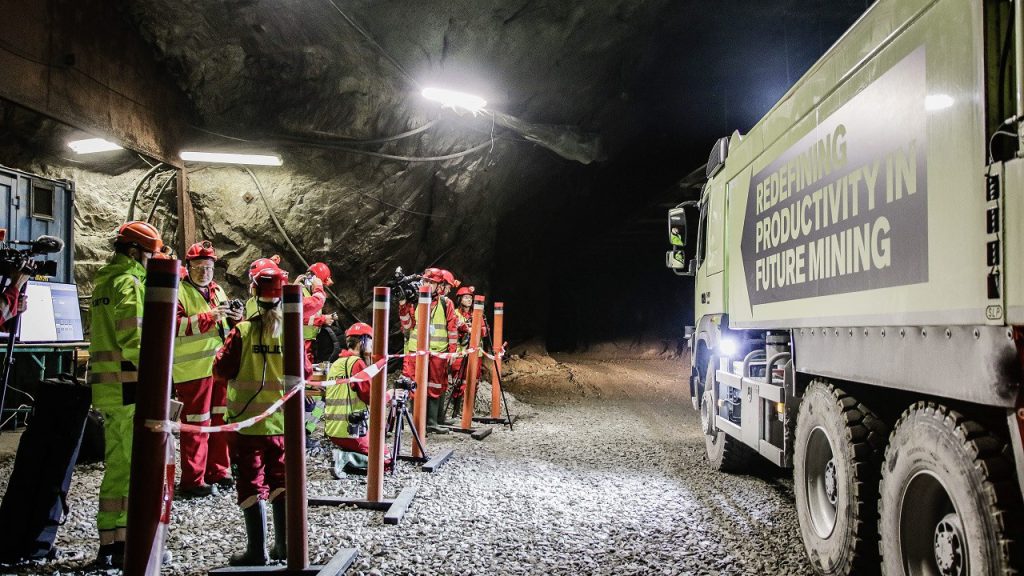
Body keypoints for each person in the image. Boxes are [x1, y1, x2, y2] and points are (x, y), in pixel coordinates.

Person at [214, 265, 309, 566]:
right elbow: (305, 372)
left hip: (247, 424)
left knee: (251, 483)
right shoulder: (293, 333)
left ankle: (257, 550)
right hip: (282, 424)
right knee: (281, 479)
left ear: (254, 292)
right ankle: (284, 545)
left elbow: (220, 370)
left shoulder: (241, 331)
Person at [89, 220, 165, 568]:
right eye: (152, 254)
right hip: (128, 386)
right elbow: (134, 341)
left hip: (109, 387)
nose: (154, 260)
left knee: (120, 462)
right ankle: (114, 544)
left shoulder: (103, 279)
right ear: (135, 251)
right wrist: (159, 374)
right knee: (126, 466)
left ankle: (117, 541)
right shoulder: (129, 283)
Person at [172, 241, 242, 498]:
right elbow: (174, 326)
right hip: (192, 370)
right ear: (188, 267)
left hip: (218, 370)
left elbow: (226, 328)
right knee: (196, 425)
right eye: (199, 267)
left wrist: (236, 317)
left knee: (219, 420)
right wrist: (209, 317)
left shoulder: (217, 291)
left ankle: (219, 471)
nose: (204, 272)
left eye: (209, 267)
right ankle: (193, 480)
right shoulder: (179, 292)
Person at [323, 322, 391, 477]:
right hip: (350, 430)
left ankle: (347, 456)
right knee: (386, 459)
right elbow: (371, 398)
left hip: (333, 429)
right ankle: (345, 458)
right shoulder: (356, 363)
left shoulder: (337, 363)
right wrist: (390, 394)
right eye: (371, 342)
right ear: (363, 341)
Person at [397, 267, 458, 433]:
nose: (426, 284)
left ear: (438, 286)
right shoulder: (415, 301)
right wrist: (403, 305)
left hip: (437, 353)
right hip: (416, 352)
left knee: (435, 385)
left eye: (431, 282)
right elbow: (408, 325)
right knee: (414, 386)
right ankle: (417, 423)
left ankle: (431, 422)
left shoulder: (446, 304)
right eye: (425, 281)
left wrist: (452, 351)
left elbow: (452, 328)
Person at [294, 263, 336, 439]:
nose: (322, 286)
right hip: (299, 348)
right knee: (314, 395)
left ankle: (306, 431)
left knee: (315, 395)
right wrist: (322, 320)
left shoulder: (302, 291)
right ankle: (303, 433)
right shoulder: (301, 293)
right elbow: (300, 317)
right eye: (321, 282)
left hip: (307, 349)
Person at [449, 285, 489, 418]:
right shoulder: (455, 313)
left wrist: (476, 328)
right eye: (466, 297)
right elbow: (453, 327)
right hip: (461, 352)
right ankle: (456, 411)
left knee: (474, 381)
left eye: (470, 298)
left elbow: (484, 331)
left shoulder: (478, 314)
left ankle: (468, 410)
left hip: (475, 354)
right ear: (459, 299)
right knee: (459, 381)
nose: (469, 300)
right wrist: (467, 329)